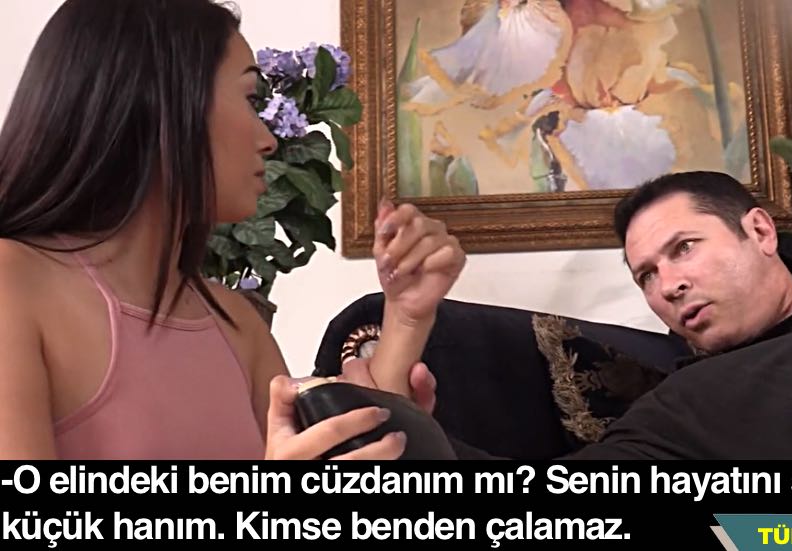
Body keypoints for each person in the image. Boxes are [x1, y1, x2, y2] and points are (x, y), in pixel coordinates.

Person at [0, 0, 463, 460]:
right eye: (250, 99)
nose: (269, 140)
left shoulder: (236, 323)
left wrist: (406, 318)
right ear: (158, 101)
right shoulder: (13, 283)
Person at [351, 171, 792, 459]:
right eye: (646, 275)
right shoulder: (687, 407)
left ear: (759, 230)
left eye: (684, 248)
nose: (669, 286)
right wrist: (408, 320)